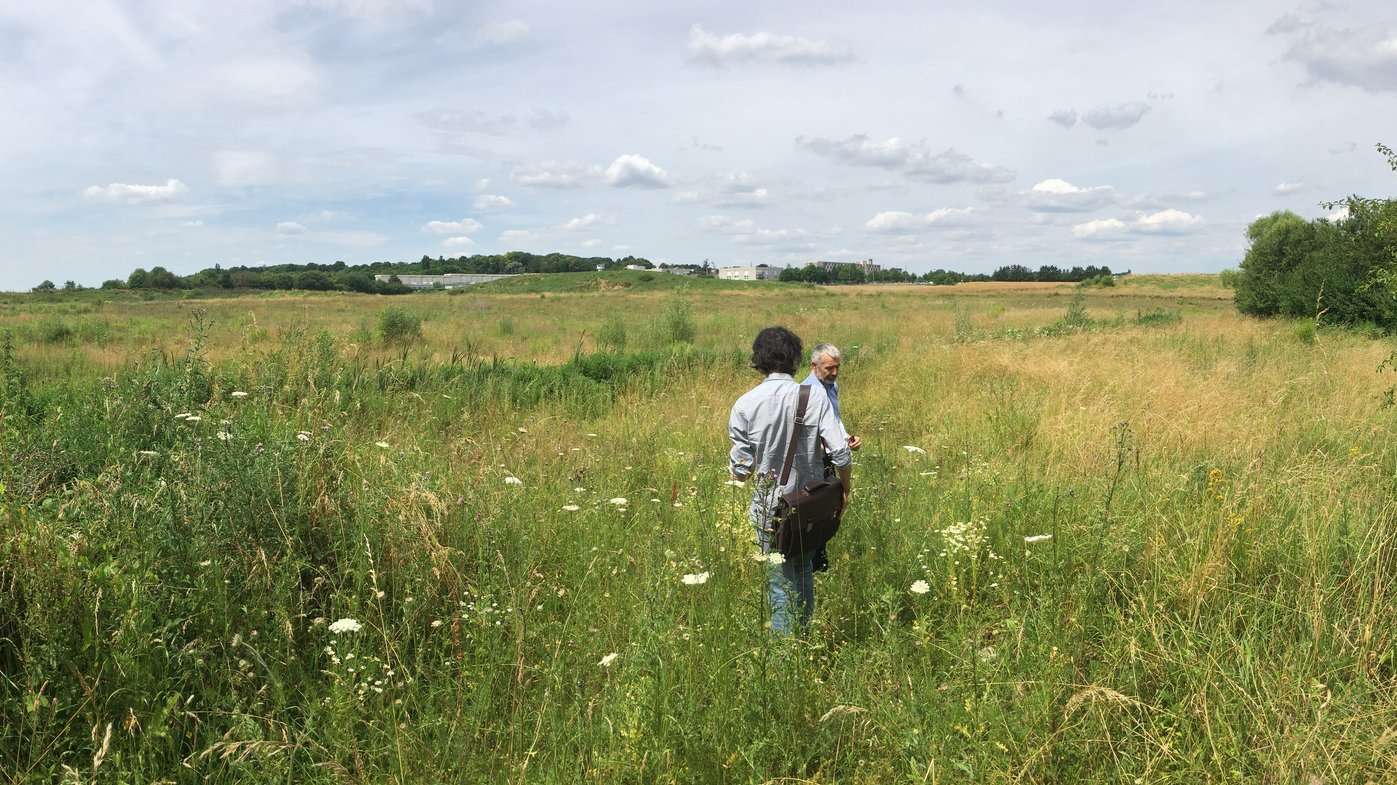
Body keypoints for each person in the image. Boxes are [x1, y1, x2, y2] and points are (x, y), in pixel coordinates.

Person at [729, 327, 851, 635]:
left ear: (759, 359)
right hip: (810, 505)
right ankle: (804, 640)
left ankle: (786, 655)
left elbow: (740, 473)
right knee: (804, 570)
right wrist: (845, 490)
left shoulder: (744, 404)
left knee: (780, 581)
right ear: (796, 359)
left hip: (770, 508)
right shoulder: (813, 397)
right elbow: (840, 453)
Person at [802, 343, 860, 572]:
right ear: (814, 366)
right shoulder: (806, 390)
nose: (834, 373)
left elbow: (834, 420)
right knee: (816, 509)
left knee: (829, 510)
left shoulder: (831, 386)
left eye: (837, 367)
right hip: (815, 461)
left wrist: (846, 438)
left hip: (831, 456)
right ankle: (813, 563)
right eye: (829, 368)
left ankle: (820, 562)